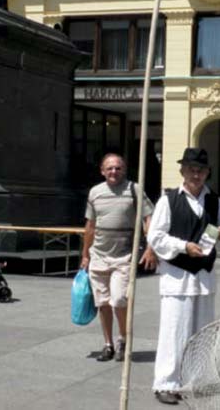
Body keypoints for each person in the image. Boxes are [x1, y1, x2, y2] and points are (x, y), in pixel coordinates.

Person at [148, 148, 220, 405]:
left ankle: (194, 381)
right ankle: (166, 383)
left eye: (201, 171)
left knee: (201, 333)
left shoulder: (215, 201)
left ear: (207, 173)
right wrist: (184, 246)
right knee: (174, 332)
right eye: (192, 170)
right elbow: (155, 237)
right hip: (177, 276)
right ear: (182, 171)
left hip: (204, 276)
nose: (196, 175)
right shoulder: (168, 200)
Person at [80, 153, 157, 363]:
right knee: (102, 302)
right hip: (99, 255)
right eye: (110, 168)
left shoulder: (134, 189)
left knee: (120, 299)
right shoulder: (95, 192)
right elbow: (90, 226)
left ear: (124, 169)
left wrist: (150, 247)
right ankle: (108, 344)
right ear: (102, 171)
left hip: (124, 256)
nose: (114, 171)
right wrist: (85, 254)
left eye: (118, 168)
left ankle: (123, 339)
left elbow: (148, 218)